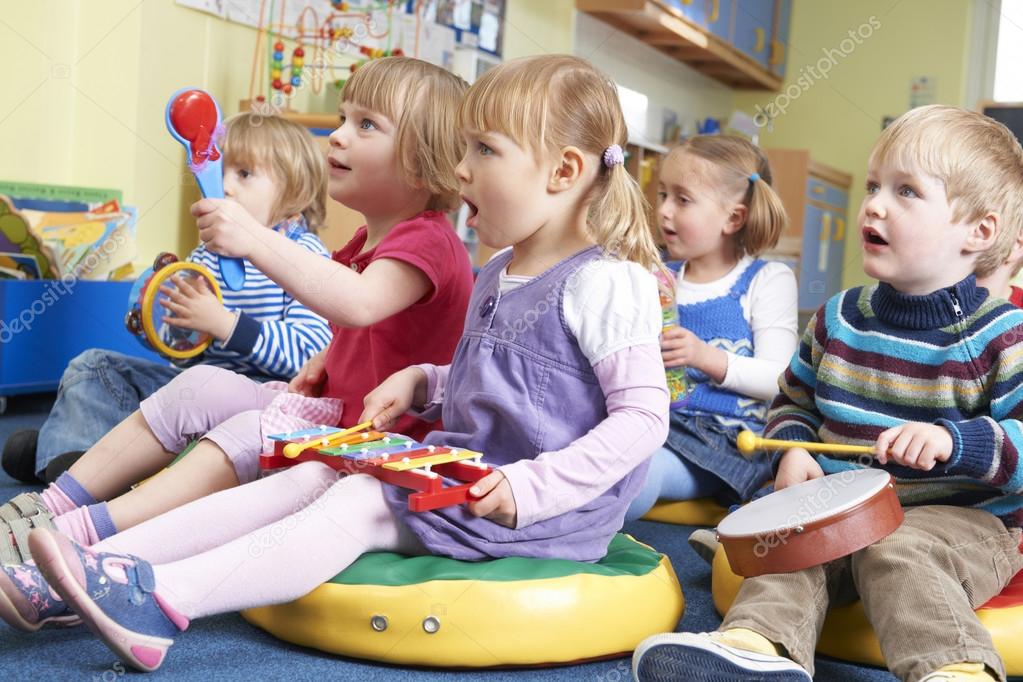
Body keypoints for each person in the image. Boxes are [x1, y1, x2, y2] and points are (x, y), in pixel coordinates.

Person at [0, 54, 669, 674]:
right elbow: (493, 377)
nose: (461, 169)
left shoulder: (608, 282)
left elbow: (642, 419)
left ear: (564, 171)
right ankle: (94, 570)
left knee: (355, 499)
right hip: (461, 469)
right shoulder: (500, 270)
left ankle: (161, 601)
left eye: (485, 150)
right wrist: (423, 381)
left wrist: (532, 491)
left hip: (535, 509)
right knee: (318, 473)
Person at [0, 57, 474, 565]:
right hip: (337, 418)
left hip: (383, 446)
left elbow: (358, 303)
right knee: (201, 383)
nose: (338, 136)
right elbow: (367, 328)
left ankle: (86, 537)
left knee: (248, 431)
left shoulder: (430, 241)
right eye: (341, 119)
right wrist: (328, 359)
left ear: (425, 160)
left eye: (366, 125)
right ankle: (48, 507)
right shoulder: (363, 239)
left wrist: (250, 238)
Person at [632, 104, 1023, 682]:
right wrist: (793, 448)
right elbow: (794, 400)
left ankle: (954, 670)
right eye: (873, 186)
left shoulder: (1001, 335)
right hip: (844, 510)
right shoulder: (838, 318)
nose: (874, 203)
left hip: (963, 522)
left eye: (907, 191)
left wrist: (951, 440)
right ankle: (755, 650)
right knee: (792, 545)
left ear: (978, 232)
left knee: (900, 550)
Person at [1, 112, 333, 485]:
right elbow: (187, 351)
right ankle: (70, 457)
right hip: (193, 389)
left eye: (244, 174)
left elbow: (310, 357)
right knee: (93, 365)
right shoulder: (209, 254)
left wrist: (226, 325)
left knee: (192, 410)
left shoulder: (305, 255)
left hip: (257, 402)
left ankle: (72, 459)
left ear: (295, 191)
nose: (224, 185)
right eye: (219, 171)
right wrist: (168, 329)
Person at [624, 135, 796, 524]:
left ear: (733, 218)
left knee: (633, 469)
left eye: (682, 200)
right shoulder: (658, 277)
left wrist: (707, 358)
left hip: (724, 440)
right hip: (653, 421)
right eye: (663, 194)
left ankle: (570, 539)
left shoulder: (766, 279)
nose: (664, 210)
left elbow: (781, 380)